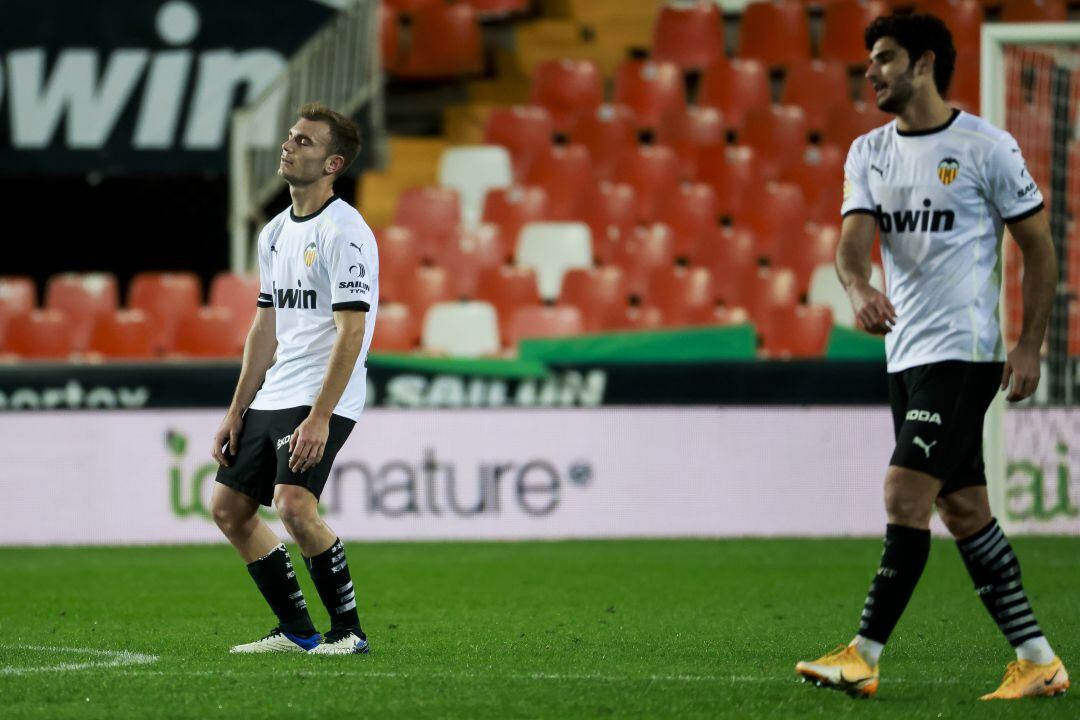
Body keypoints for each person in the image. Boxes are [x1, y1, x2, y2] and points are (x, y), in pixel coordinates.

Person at [795, 14, 1069, 699]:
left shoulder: (987, 147)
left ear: (923, 63)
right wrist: (858, 285)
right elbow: (852, 244)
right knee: (965, 511)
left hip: (965, 352)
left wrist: (1029, 342)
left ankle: (862, 655)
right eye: (869, 60)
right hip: (906, 355)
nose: (871, 72)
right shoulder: (869, 151)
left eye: (884, 58)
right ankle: (1038, 661)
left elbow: (1038, 247)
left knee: (903, 492)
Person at [209, 102, 379, 655]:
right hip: (277, 390)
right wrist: (237, 409)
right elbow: (265, 327)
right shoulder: (276, 232)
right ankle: (298, 632)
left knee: (293, 506)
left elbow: (351, 332)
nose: (288, 146)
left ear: (333, 164)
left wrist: (321, 416)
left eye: (304, 142)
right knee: (229, 510)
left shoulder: (345, 231)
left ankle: (347, 633)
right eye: (289, 137)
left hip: (323, 394)